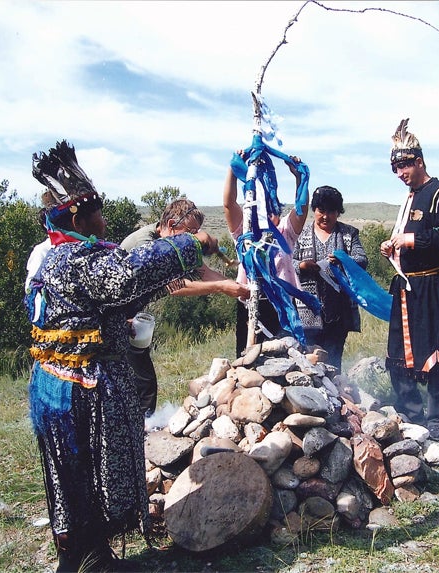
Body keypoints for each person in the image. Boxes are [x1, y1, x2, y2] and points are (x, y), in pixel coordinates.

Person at [26, 140, 212, 572]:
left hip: (61, 385)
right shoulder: (74, 259)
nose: (105, 221)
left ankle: (88, 555)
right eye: (98, 214)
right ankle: (87, 561)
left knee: (74, 476)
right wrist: (186, 245)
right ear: (78, 217)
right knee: (86, 474)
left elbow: (116, 300)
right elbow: (125, 278)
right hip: (80, 392)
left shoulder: (57, 257)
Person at [120, 198, 249, 417]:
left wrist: (240, 288)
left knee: (142, 380)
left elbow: (203, 272)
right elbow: (173, 286)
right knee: (142, 382)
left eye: (197, 232)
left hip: (131, 316)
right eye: (190, 232)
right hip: (117, 318)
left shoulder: (176, 244)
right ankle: (142, 431)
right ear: (171, 224)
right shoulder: (147, 244)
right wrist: (220, 287)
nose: (194, 238)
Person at [380, 118, 439, 441]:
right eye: (396, 170)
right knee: (399, 351)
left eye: (404, 168)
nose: (401, 175)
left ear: (419, 161)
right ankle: (411, 414)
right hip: (406, 288)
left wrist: (412, 241)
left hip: (433, 286)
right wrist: (392, 245)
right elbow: (405, 234)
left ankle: (438, 417)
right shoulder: (409, 199)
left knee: (436, 349)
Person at [223, 153, 308, 357]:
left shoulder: (285, 233)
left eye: (271, 209)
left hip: (283, 304)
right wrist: (233, 170)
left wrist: (300, 177)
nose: (267, 215)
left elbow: (301, 208)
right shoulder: (245, 232)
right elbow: (229, 204)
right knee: (248, 357)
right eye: (260, 209)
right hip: (250, 301)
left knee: (286, 357)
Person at [292, 186, 368, 371]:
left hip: (339, 312)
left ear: (338, 212)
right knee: (310, 360)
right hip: (306, 312)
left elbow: (362, 260)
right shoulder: (300, 235)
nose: (326, 216)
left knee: (334, 361)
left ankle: (337, 395)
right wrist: (302, 266)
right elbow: (287, 261)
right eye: (321, 211)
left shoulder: (349, 234)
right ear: (314, 211)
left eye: (332, 212)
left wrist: (344, 260)